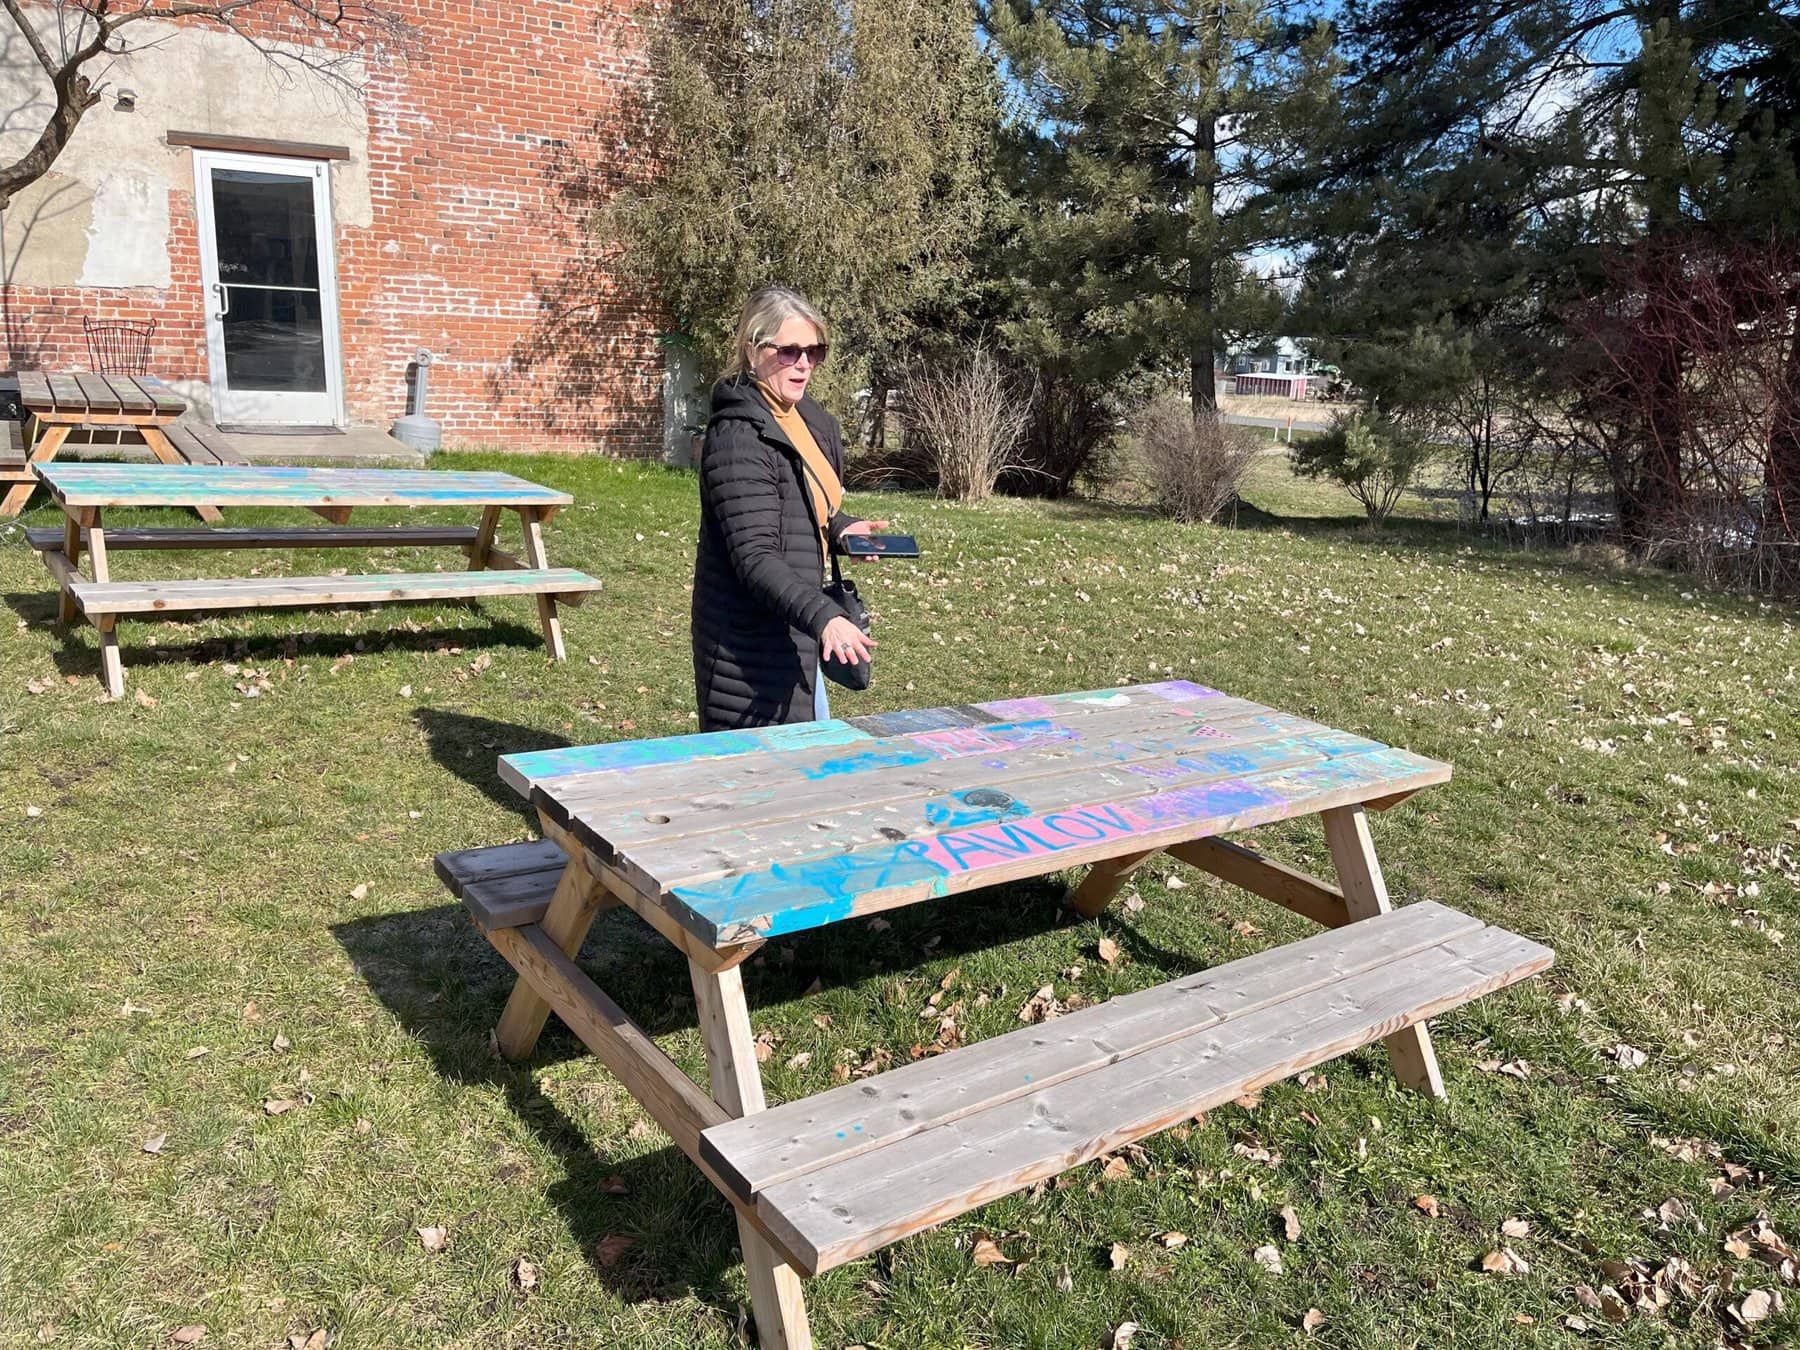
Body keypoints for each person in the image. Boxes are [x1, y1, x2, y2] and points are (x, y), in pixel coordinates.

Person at [691, 285, 888, 731]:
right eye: (789, 351)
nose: (804, 364)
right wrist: (826, 617)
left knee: (800, 763)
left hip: (795, 624)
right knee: (754, 778)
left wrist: (841, 529)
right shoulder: (738, 437)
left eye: (815, 351)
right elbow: (754, 555)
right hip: (748, 642)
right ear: (753, 350)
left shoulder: (802, 419)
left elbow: (797, 503)